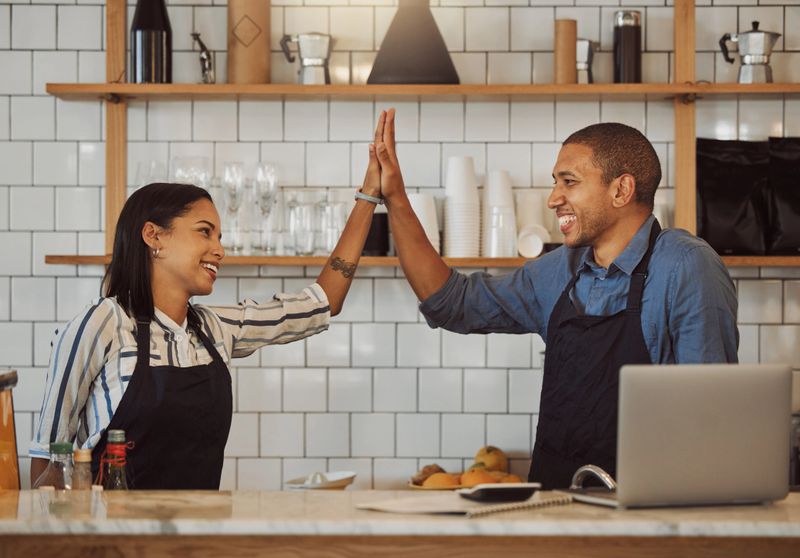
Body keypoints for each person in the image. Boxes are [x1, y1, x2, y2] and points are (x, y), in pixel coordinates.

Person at [372, 109, 738, 489]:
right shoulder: (559, 270)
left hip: (644, 516)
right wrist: (396, 198)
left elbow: (709, 414)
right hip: (554, 507)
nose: (553, 198)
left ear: (621, 189)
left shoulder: (685, 265)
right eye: (555, 182)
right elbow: (453, 304)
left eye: (569, 182)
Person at [29, 116, 391, 489]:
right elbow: (45, 459)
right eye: (205, 232)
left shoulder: (216, 329)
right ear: (154, 236)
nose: (219, 250)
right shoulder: (102, 323)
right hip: (117, 543)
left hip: (199, 537)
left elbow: (323, 302)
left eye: (219, 236)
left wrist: (368, 196)